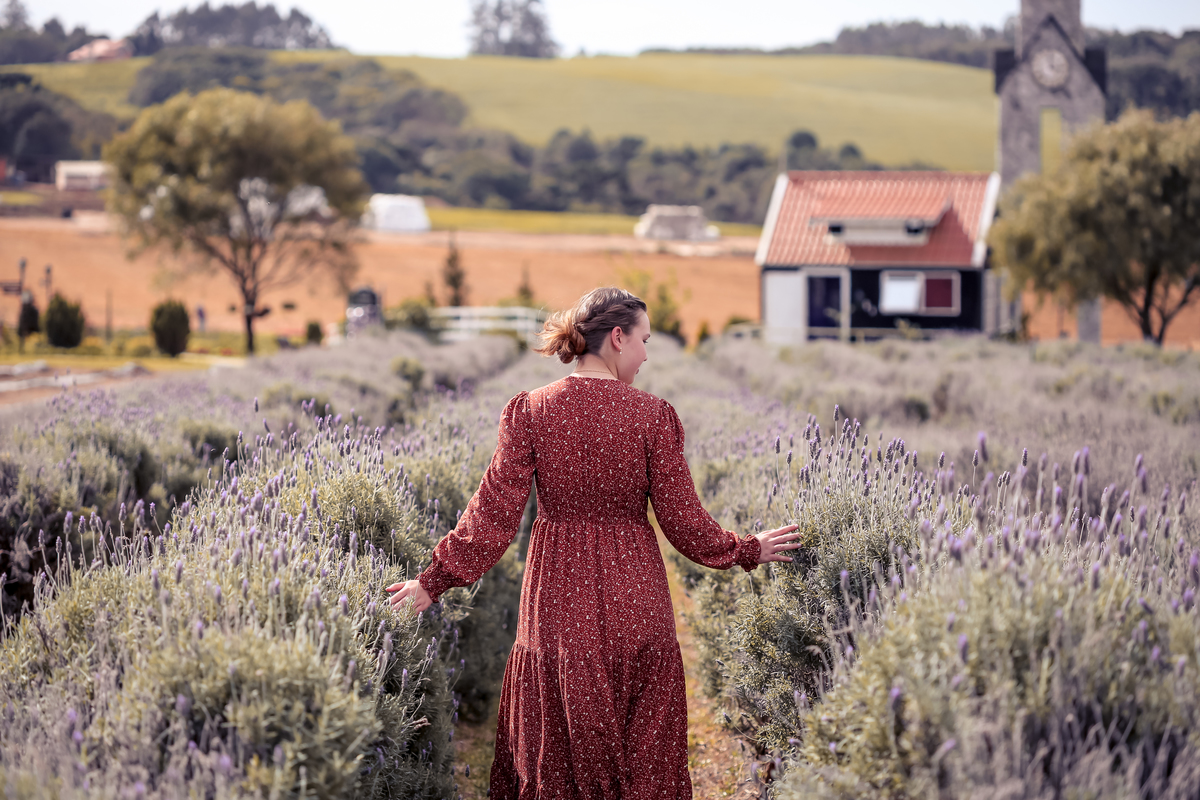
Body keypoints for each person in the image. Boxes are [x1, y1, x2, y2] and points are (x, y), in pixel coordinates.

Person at [387, 287, 800, 799]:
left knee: (558, 749)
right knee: (643, 752)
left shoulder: (532, 411)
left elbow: (493, 513)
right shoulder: (652, 416)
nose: (647, 355)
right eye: (644, 341)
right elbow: (684, 524)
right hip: (637, 603)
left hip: (556, 605)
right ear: (618, 338)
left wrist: (433, 582)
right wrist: (746, 548)